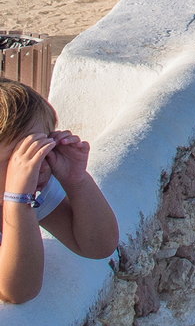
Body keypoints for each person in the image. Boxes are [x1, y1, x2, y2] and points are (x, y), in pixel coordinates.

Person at [1, 78, 119, 304]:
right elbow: (17, 291)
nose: (39, 167)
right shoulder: (23, 195)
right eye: (20, 159)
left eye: (43, 150)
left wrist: (77, 180)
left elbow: (98, 246)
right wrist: (18, 200)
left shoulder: (35, 190)